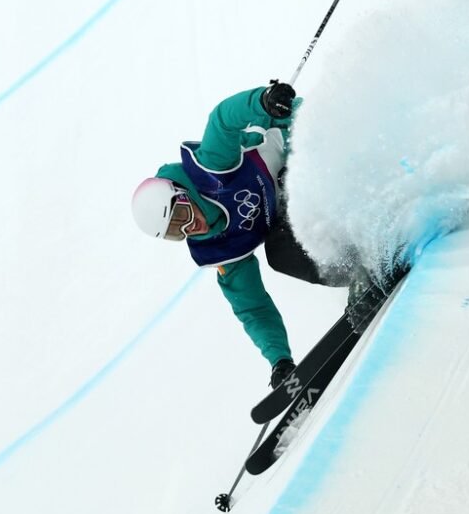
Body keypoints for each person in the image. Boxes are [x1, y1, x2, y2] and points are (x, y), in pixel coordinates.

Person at [131, 81, 352, 388]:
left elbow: (222, 119)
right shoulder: (220, 248)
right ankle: (359, 269)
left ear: (181, 193)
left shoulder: (211, 167)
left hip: (304, 141)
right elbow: (252, 306)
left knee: (301, 187)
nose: (188, 228)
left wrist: (262, 102)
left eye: (180, 215)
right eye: (175, 233)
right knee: (282, 254)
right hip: (297, 204)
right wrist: (280, 360)